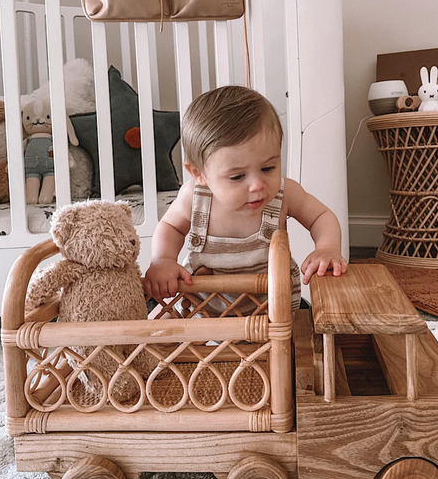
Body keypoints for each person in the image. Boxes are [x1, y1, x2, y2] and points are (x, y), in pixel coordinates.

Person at [144, 85, 347, 312]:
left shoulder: (284, 192)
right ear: (199, 174)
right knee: (165, 325)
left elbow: (321, 215)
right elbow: (171, 226)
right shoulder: (194, 197)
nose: (257, 184)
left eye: (268, 168)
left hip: (274, 310)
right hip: (208, 312)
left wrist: (327, 247)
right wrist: (162, 260)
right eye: (237, 176)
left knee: (303, 332)